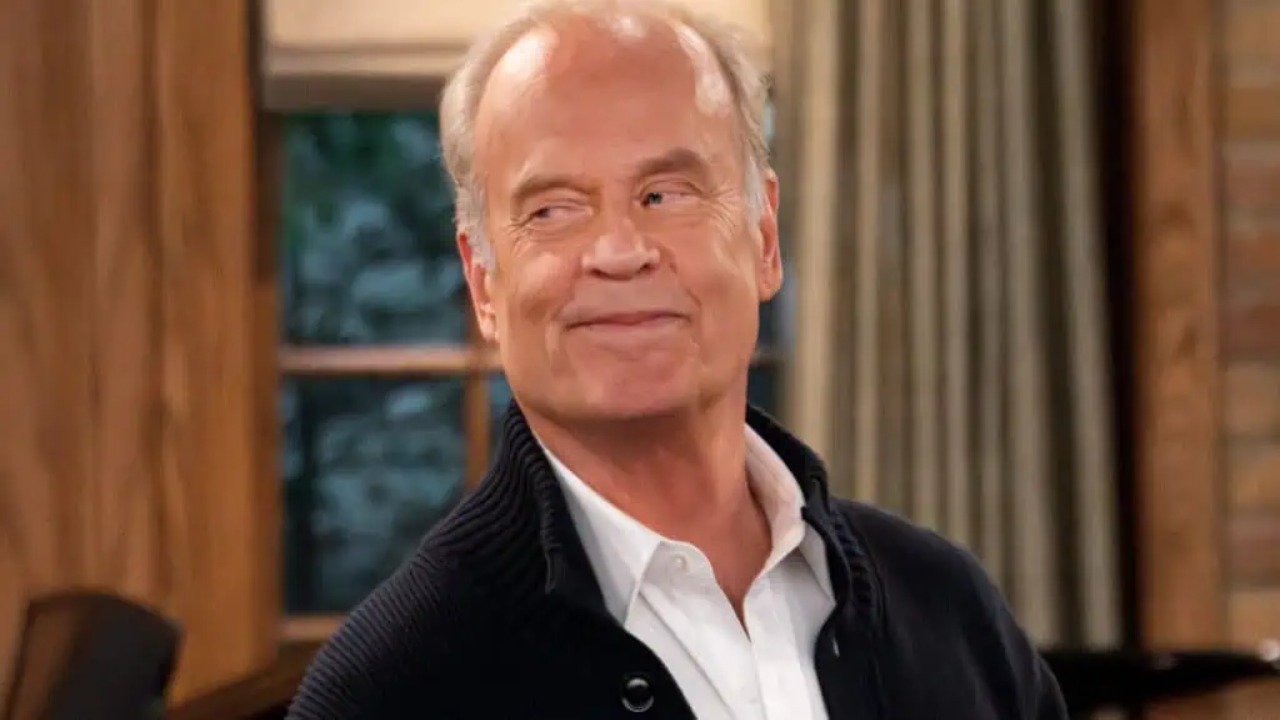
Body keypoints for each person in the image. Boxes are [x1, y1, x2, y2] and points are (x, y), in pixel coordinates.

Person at [287, 1, 1068, 718]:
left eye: (666, 194)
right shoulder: (385, 692)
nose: (620, 251)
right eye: (554, 210)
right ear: (483, 283)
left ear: (764, 239)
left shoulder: (951, 612)